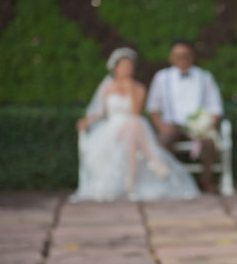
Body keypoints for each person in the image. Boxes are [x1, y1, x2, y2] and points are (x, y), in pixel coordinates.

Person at [71, 47, 200, 202]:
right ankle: (153, 161)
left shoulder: (139, 88)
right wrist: (87, 121)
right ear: (115, 68)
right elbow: (100, 112)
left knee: (133, 127)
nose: (127, 69)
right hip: (113, 129)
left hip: (132, 127)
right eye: (124, 66)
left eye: (130, 66)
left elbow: (134, 113)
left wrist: (130, 88)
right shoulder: (106, 86)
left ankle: (131, 183)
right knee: (135, 127)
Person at [146, 39, 223, 193]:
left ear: (192, 57)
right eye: (178, 56)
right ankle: (167, 181)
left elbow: (216, 108)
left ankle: (205, 182)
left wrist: (207, 126)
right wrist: (161, 127)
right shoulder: (162, 77)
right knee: (163, 141)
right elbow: (152, 107)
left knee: (209, 143)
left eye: (185, 55)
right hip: (172, 125)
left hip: (199, 128)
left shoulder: (204, 77)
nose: (182, 59)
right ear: (171, 57)